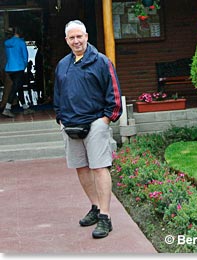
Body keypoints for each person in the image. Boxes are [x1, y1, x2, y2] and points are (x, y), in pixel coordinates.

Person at [53, 20, 122, 239]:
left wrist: (106, 120)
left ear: (87, 36)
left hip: (95, 123)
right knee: (81, 168)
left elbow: (114, 93)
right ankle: (95, 206)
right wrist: (60, 119)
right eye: (72, 38)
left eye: (79, 36)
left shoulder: (101, 62)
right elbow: (58, 94)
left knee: (100, 168)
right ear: (67, 41)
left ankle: (105, 217)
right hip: (71, 125)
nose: (76, 41)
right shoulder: (62, 65)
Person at [2, 27, 33, 118]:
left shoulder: (7, 43)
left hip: (9, 68)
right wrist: (24, 67)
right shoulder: (21, 42)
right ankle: (7, 109)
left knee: (18, 87)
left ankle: (25, 107)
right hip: (19, 67)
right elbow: (25, 56)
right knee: (15, 88)